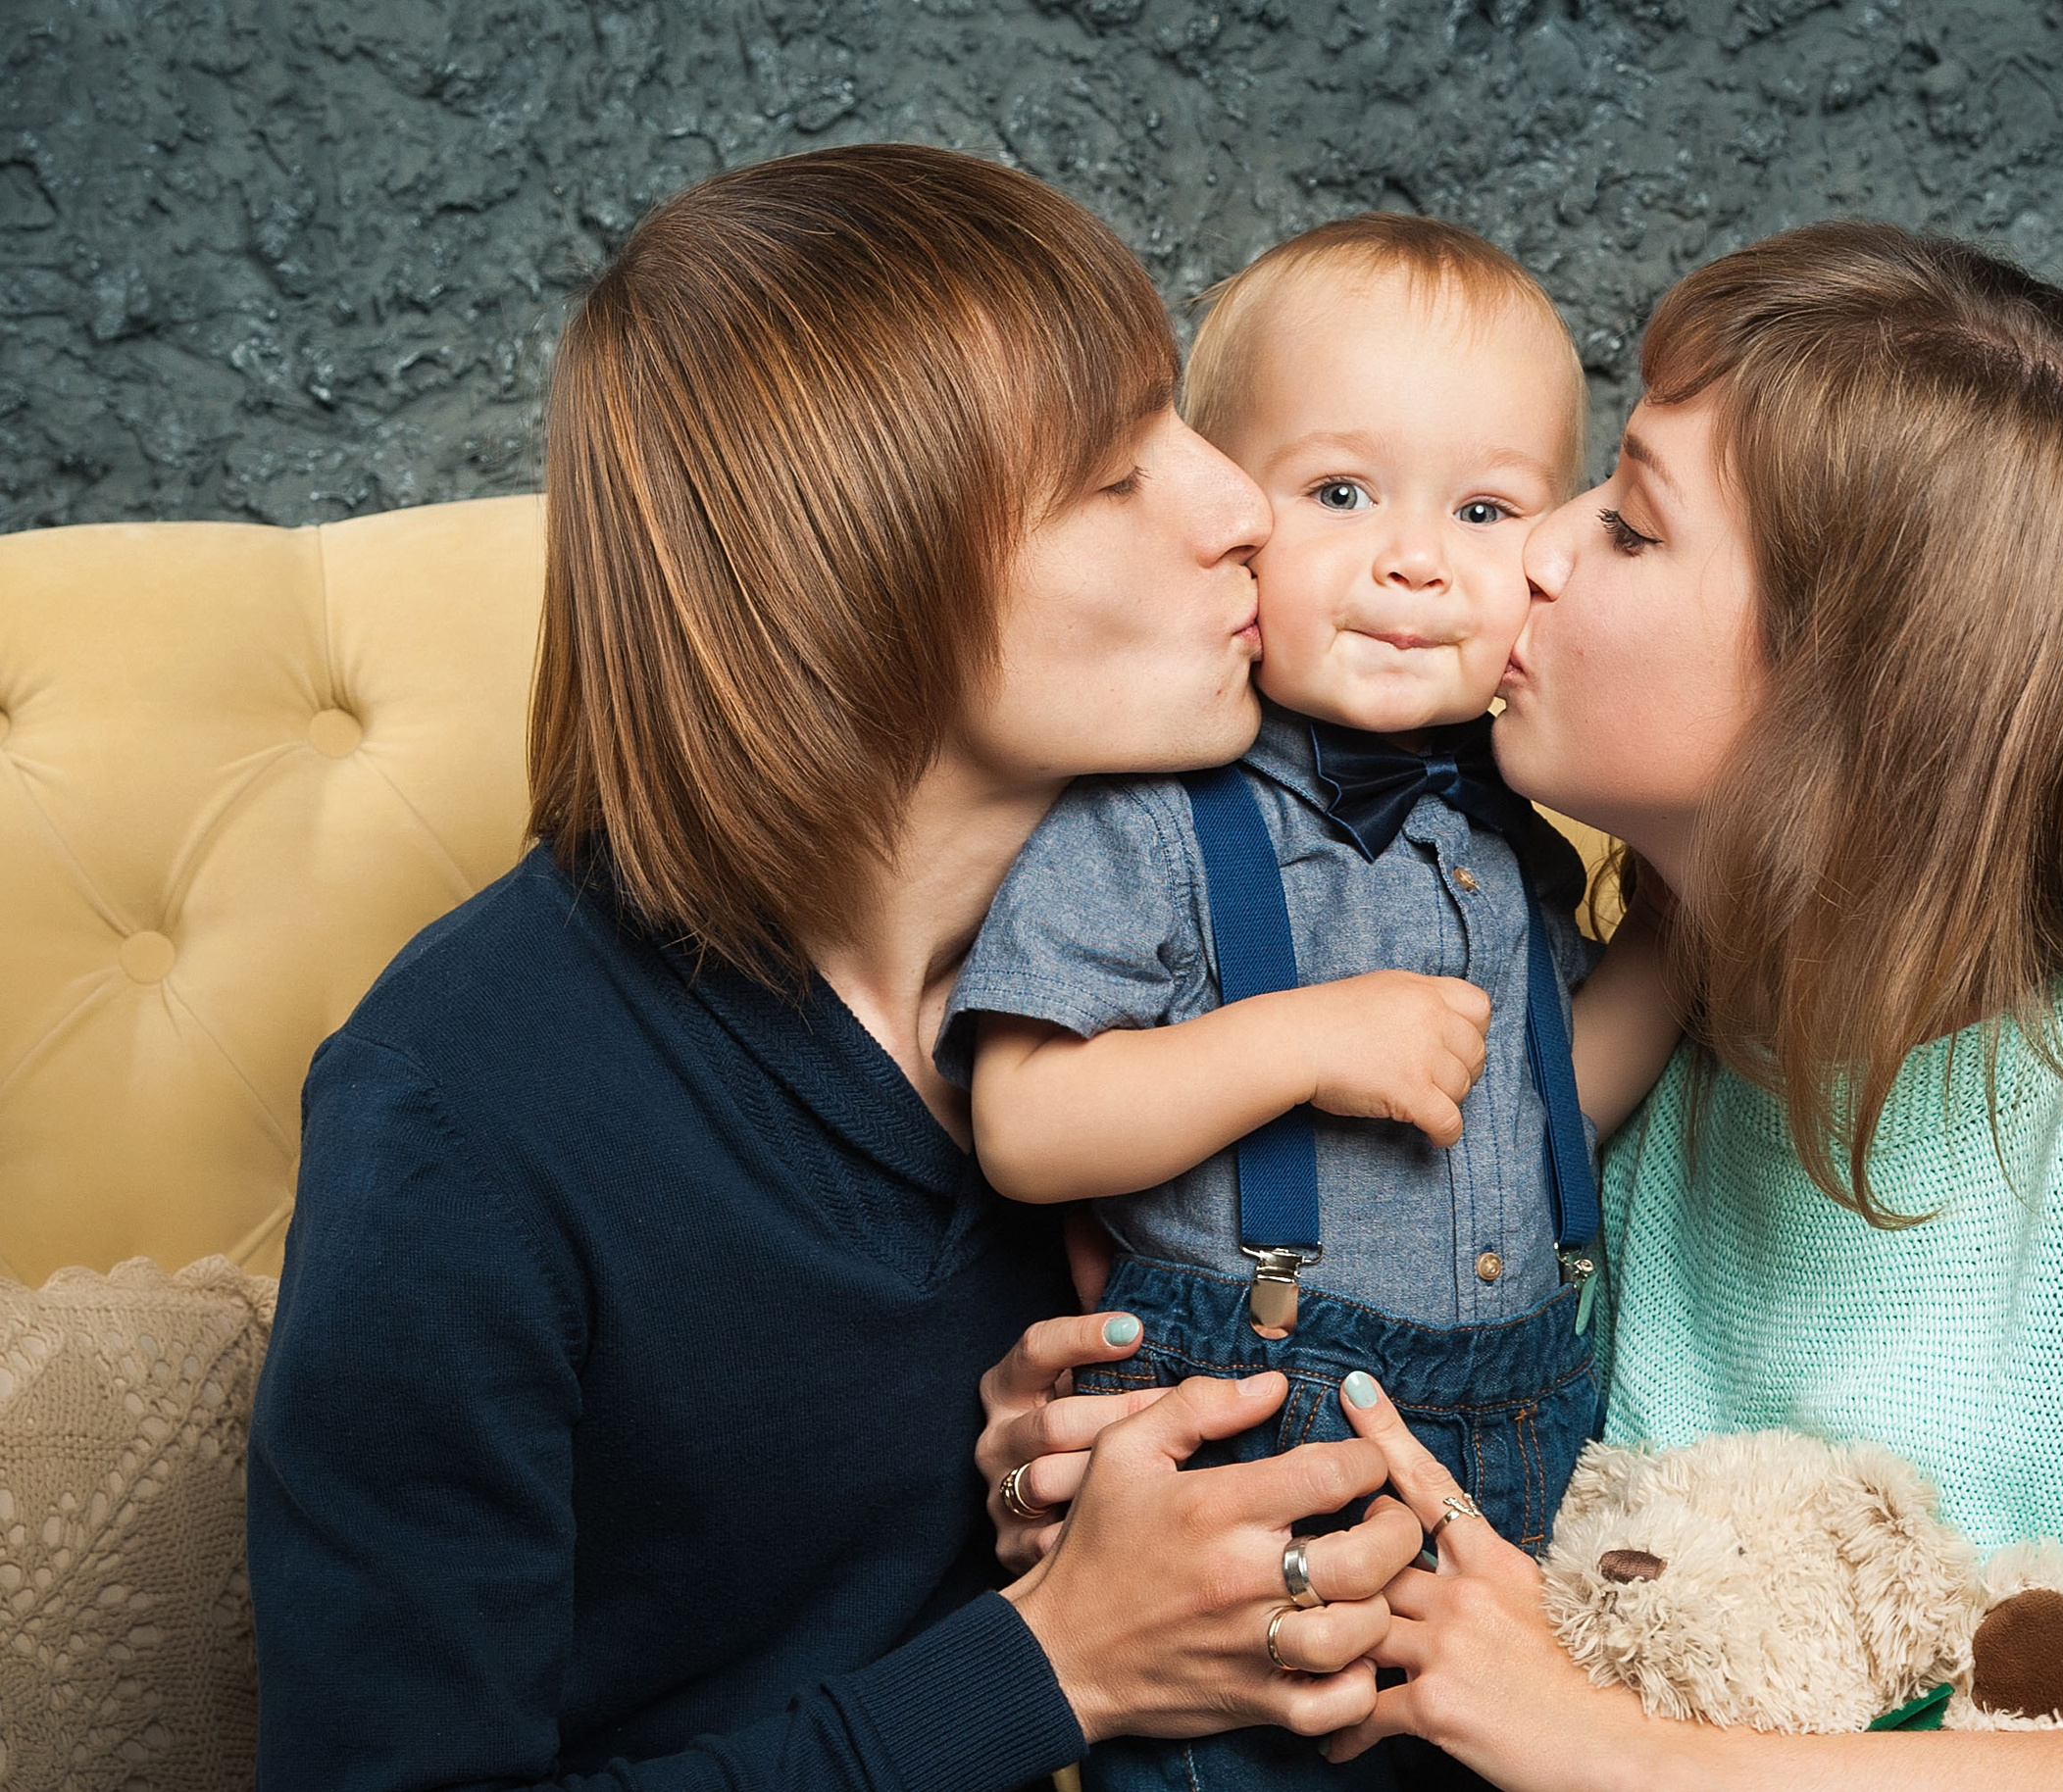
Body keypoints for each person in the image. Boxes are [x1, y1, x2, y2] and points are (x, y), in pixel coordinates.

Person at [244, 145, 1427, 1792]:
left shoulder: (1217, 928)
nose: (1241, 504)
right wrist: (1051, 1664)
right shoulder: (459, 1112)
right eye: (1113, 473)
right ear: (865, 576)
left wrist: (1055, 1484)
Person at [1289, 221, 2063, 1788]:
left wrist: (1634, 1758)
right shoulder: (1655, 1064)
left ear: (1851, 695)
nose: (1530, 546)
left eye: (1635, 527)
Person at [936, 217, 1678, 1789]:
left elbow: (1555, 1108)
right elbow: (1024, 1118)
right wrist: (1299, 1039)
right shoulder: (1151, 820)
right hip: (1257, 1448)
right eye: (1342, 493)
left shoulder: (1511, 833)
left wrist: (1694, 947)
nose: (1416, 558)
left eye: (1483, 508)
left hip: (1523, 1441)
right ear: (1227, 518)